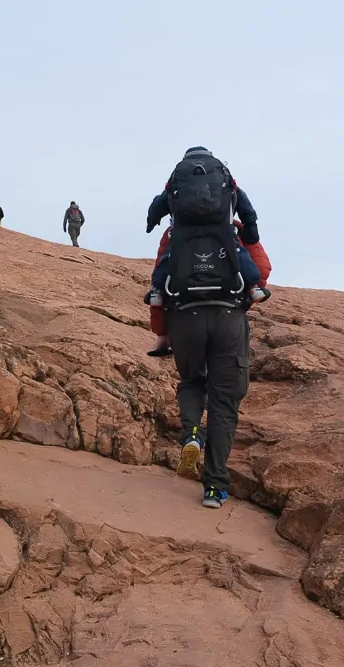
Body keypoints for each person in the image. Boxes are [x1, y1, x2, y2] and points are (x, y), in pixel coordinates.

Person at [145, 146, 268, 509]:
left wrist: (162, 333)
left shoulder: (174, 236)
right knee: (225, 402)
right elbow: (262, 267)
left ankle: (190, 432)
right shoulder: (234, 232)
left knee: (191, 381)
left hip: (185, 317)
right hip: (229, 316)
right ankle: (214, 486)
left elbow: (163, 284)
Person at [145, 219, 271, 356]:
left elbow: (160, 282)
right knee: (230, 374)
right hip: (230, 312)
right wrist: (247, 297)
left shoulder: (174, 232)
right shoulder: (235, 229)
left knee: (191, 375)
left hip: (185, 314)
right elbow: (262, 270)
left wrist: (162, 333)